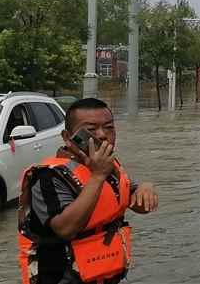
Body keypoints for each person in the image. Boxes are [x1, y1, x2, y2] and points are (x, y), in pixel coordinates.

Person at [17, 98, 158, 284]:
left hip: (107, 275)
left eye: (109, 127)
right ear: (67, 137)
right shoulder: (48, 177)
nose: (102, 135)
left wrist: (144, 188)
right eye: (90, 130)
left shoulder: (109, 166)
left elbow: (133, 198)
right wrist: (98, 176)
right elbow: (65, 228)